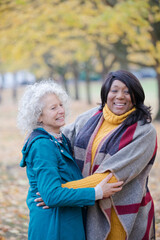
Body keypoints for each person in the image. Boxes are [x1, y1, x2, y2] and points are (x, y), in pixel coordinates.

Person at [17, 80, 123, 240]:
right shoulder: (42, 145)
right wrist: (96, 193)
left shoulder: (59, 139)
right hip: (53, 226)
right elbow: (51, 196)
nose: (61, 110)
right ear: (39, 116)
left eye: (60, 105)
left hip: (67, 220)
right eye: (53, 108)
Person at [60, 70, 157, 240]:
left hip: (120, 213)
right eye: (115, 90)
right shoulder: (89, 117)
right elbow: (59, 144)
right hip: (85, 204)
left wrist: (60, 192)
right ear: (106, 92)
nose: (120, 96)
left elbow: (111, 179)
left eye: (127, 91)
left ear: (136, 95)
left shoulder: (144, 132)